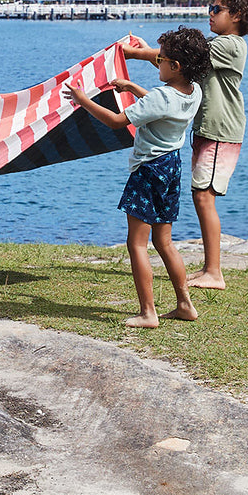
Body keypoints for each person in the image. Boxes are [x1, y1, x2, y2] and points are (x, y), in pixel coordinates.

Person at [63, 26, 211, 329]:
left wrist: (82, 100)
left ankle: (148, 312)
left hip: (149, 170)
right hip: (171, 167)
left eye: (161, 58)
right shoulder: (194, 91)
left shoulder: (160, 96)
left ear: (176, 67)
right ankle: (185, 304)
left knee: (137, 244)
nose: (158, 62)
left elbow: (118, 122)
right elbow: (162, 108)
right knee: (165, 242)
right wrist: (132, 88)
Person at [123, 0, 248, 289]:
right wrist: (148, 55)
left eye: (216, 9)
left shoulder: (232, 45)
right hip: (207, 129)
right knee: (201, 195)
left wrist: (135, 53)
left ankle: (214, 271)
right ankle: (210, 268)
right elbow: (178, 63)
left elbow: (184, 55)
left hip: (221, 130)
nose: (209, 14)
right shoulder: (218, 46)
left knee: (203, 195)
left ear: (236, 15)